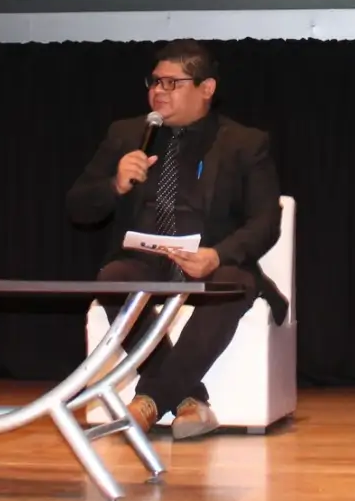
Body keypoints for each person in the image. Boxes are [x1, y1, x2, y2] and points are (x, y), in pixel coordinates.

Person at [67, 40, 283, 441]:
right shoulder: (127, 134)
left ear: (207, 88)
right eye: (154, 81)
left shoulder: (244, 142)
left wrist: (217, 256)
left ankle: (148, 402)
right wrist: (114, 184)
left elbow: (266, 221)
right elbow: (78, 206)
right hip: (145, 256)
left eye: (172, 82)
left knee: (231, 287)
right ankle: (189, 401)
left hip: (211, 257)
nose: (158, 91)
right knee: (114, 277)